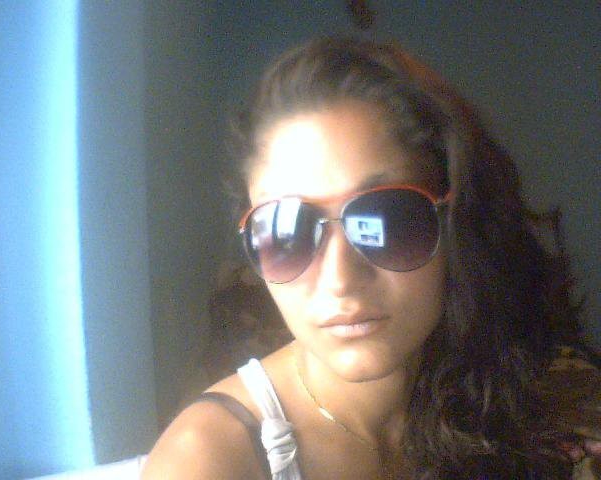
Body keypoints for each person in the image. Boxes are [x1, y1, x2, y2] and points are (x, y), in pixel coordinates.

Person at [142, 37, 600, 479]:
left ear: (457, 222)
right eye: (287, 231)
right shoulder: (208, 458)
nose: (340, 280)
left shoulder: (498, 388)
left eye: (388, 218)